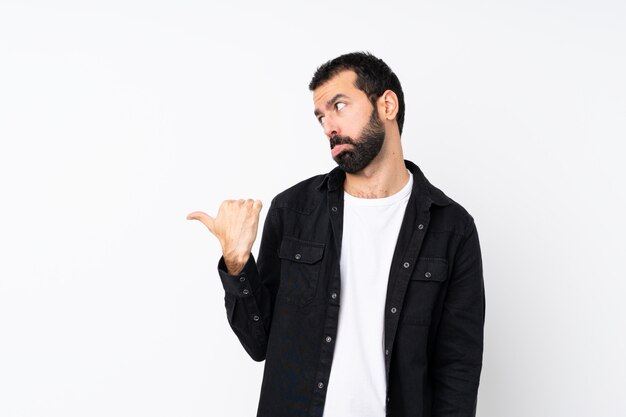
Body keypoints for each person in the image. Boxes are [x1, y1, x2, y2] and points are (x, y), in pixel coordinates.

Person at [187, 52, 485, 417]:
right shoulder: (293, 210)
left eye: (339, 106)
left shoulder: (452, 228)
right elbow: (260, 342)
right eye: (321, 116)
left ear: (387, 104)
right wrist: (236, 263)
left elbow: (458, 367)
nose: (328, 126)